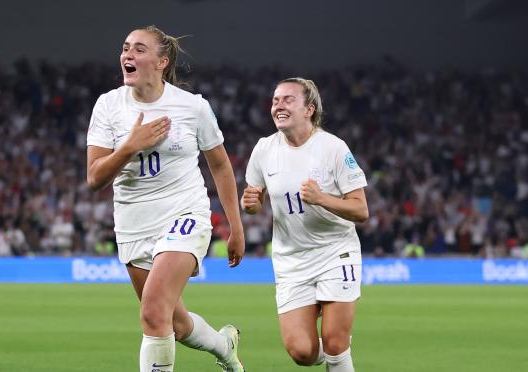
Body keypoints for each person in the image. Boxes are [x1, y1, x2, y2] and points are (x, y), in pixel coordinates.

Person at [86, 25, 245, 372]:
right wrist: (130, 146)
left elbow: (219, 164)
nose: (128, 54)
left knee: (152, 311)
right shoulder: (108, 106)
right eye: (125, 48)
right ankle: (224, 346)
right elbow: (95, 178)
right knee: (174, 323)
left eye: (139, 49)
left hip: (184, 214)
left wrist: (236, 227)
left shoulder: (192, 107)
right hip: (133, 226)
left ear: (162, 61)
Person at [241, 78, 369, 371]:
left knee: (335, 343)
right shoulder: (263, 149)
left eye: (288, 100)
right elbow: (254, 198)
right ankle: (335, 349)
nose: (278, 106)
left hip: (335, 252)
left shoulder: (333, 148)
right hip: (291, 260)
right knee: (302, 352)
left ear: (309, 109)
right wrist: (250, 205)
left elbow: (361, 210)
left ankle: (339, 348)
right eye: (275, 100)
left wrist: (322, 198)